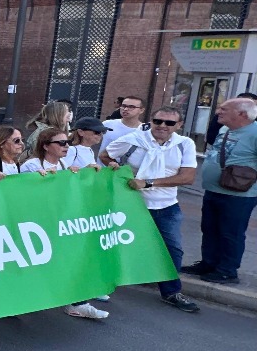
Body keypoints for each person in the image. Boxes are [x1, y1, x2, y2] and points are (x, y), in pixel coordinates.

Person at [101, 106, 199, 312]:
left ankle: (171, 292)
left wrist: (149, 182)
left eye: (169, 123)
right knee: (114, 244)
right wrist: (114, 166)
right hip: (131, 205)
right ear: (151, 121)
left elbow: (187, 177)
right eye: (158, 121)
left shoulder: (185, 144)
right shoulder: (134, 139)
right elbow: (105, 155)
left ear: (179, 125)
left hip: (166, 206)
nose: (162, 126)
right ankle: (103, 285)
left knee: (172, 249)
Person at [21, 127, 110, 320]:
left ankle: (78, 303)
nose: (66, 146)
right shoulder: (32, 164)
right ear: (46, 146)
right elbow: (24, 192)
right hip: (38, 224)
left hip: (59, 222)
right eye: (61, 143)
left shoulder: (64, 164)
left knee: (70, 261)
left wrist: (83, 174)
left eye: (67, 142)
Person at [181, 96, 257, 285]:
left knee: (231, 232)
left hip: (239, 195)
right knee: (209, 228)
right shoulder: (225, 129)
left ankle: (227, 270)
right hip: (214, 190)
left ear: (241, 114)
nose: (218, 112)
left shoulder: (255, 133)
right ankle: (209, 263)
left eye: (224, 109)